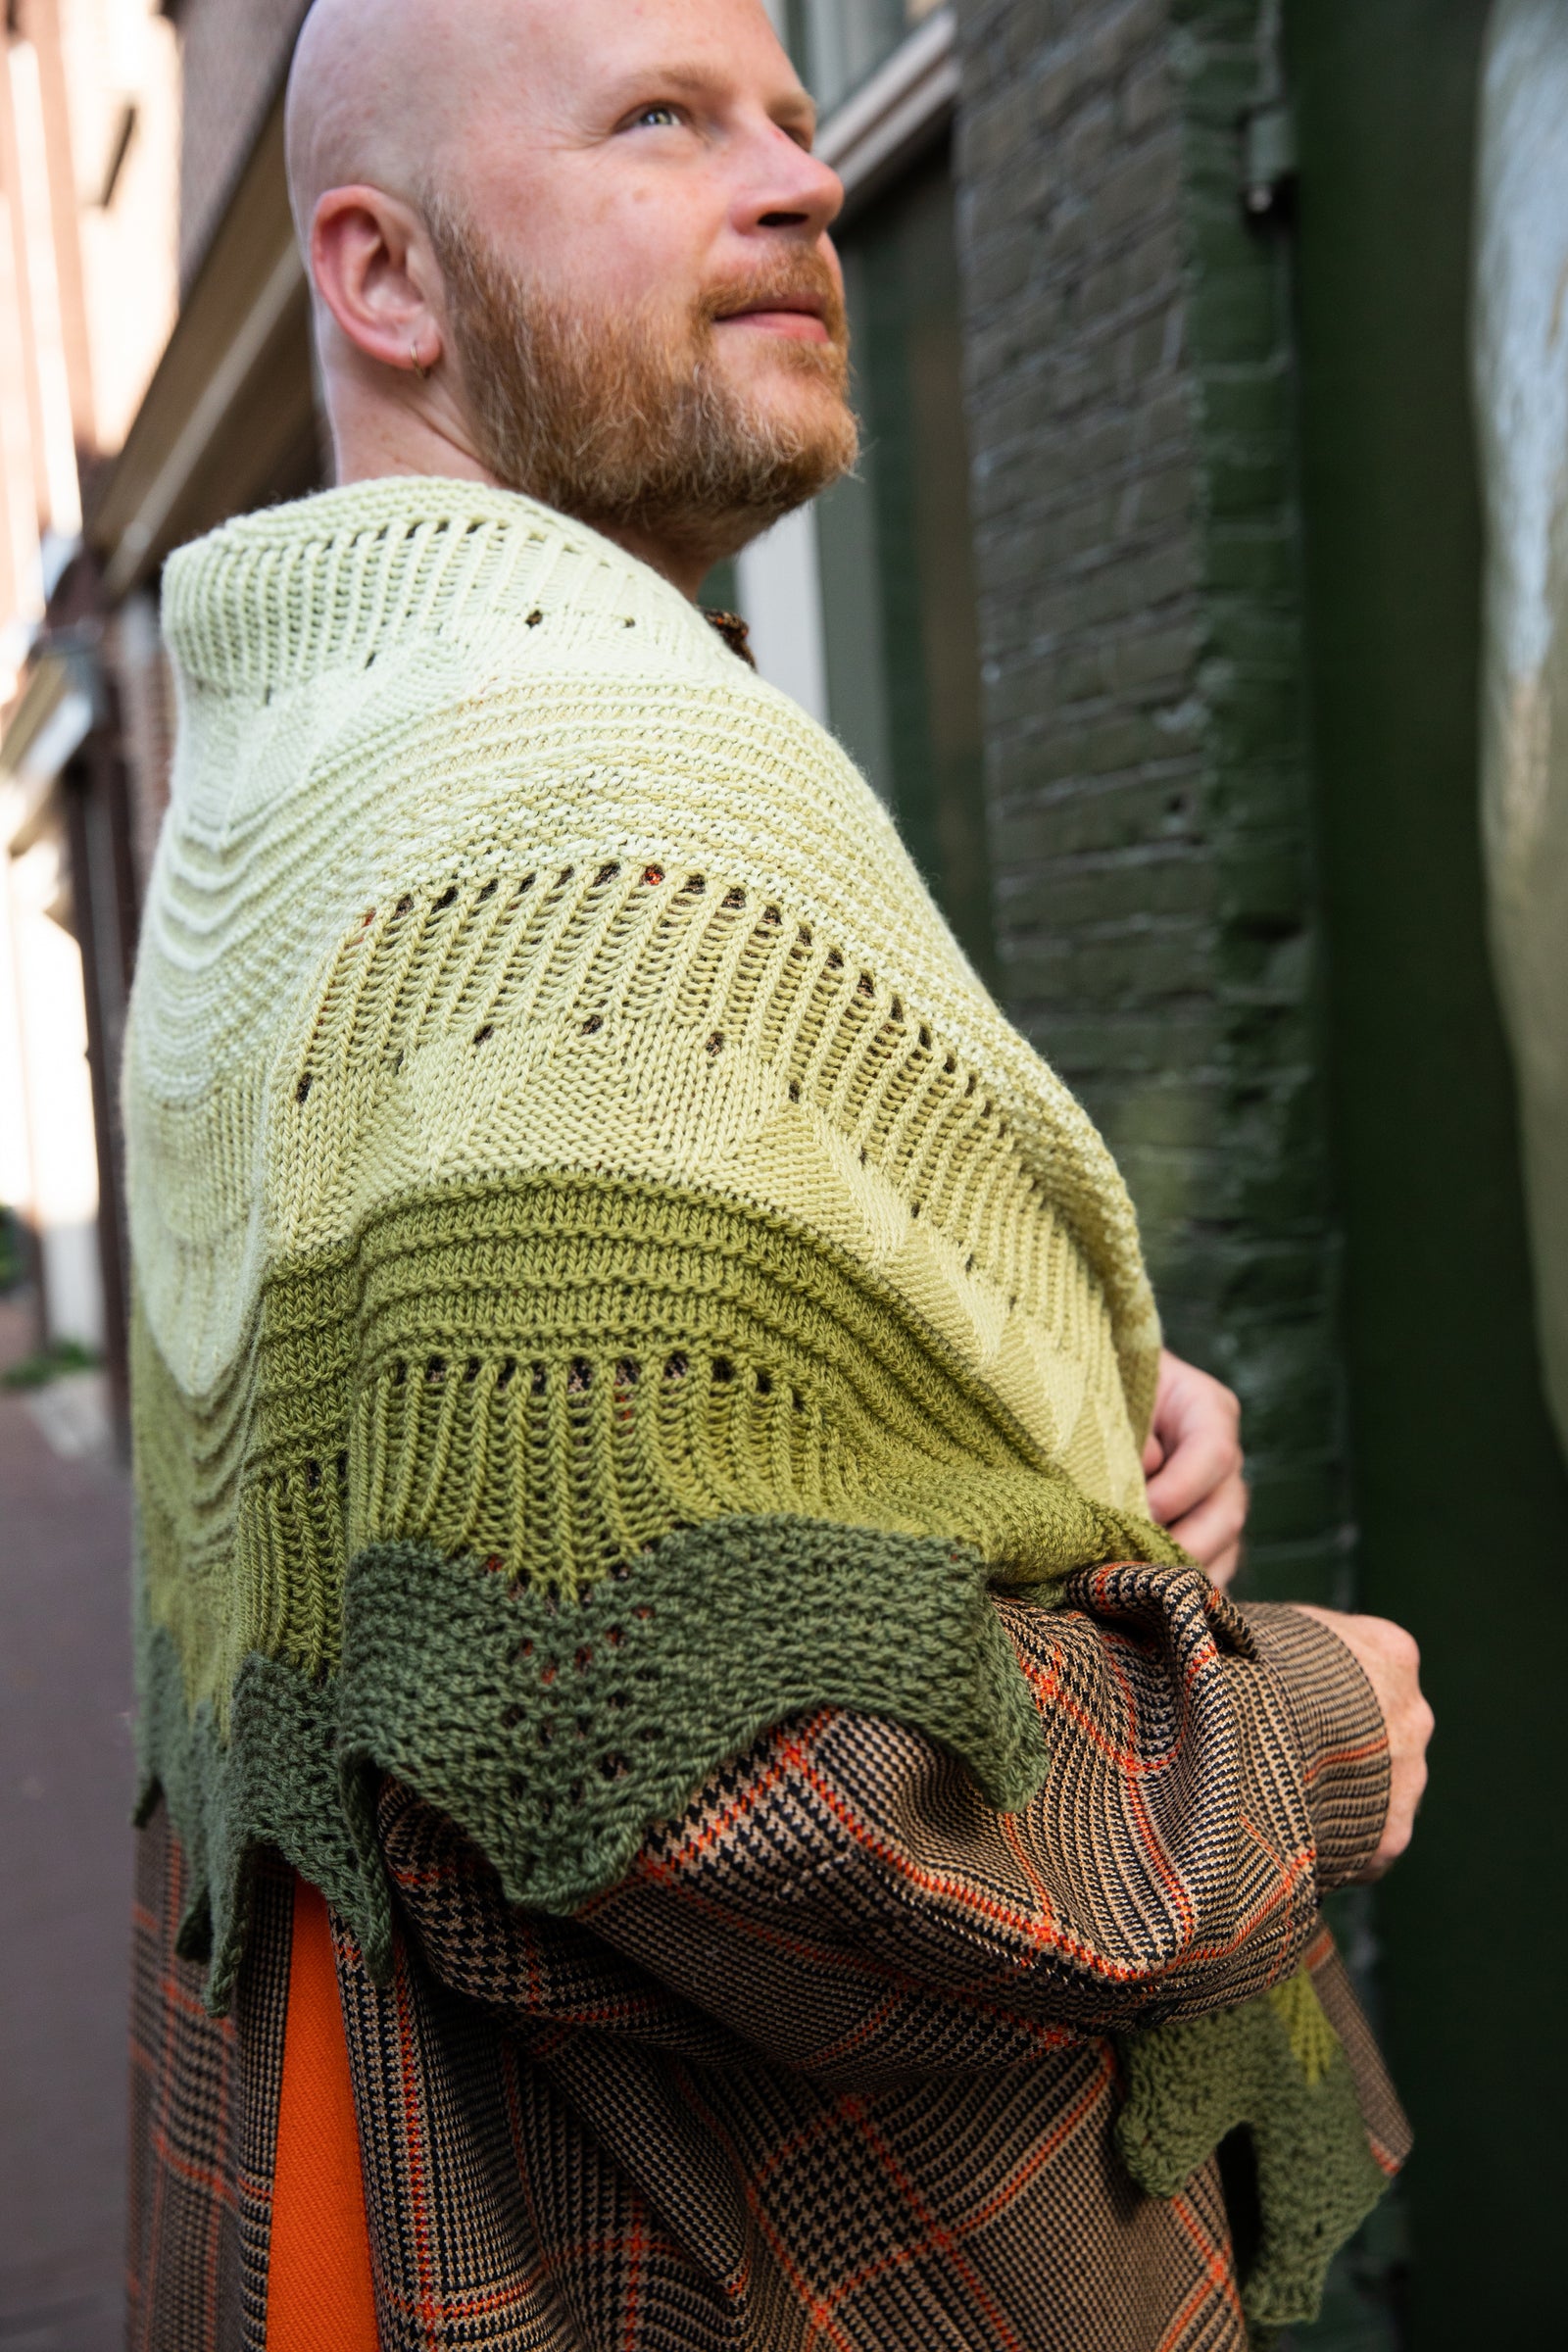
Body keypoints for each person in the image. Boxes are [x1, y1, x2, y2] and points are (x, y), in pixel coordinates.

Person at [122, 2, 1433, 2346]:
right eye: (658, 117)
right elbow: (681, 1751)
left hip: (345, 2188)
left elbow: (499, 1465)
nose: (806, 182)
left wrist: (1036, 1414)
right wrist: (1303, 1731)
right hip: (751, 2256)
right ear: (381, 273)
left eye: (799, 123)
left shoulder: (290, 759)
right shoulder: (574, 794)